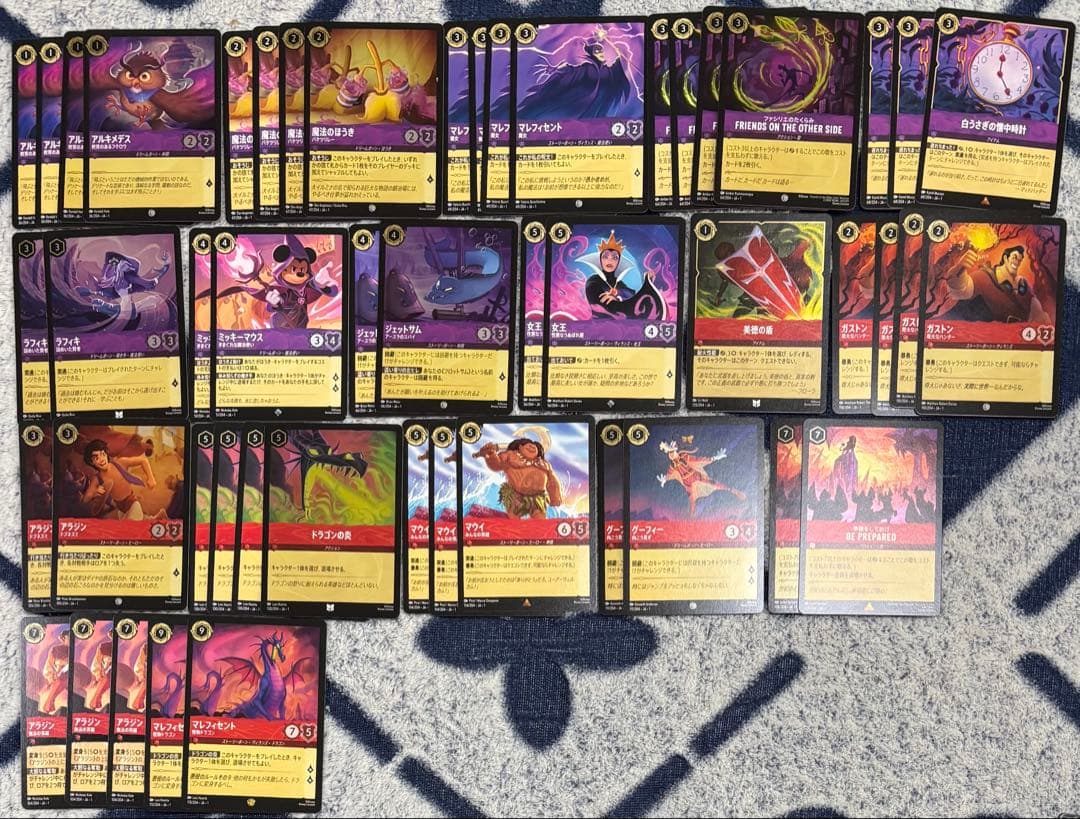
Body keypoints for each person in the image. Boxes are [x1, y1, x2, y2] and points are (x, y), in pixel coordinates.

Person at [476, 438, 563, 519]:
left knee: (539, 519)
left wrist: (555, 496)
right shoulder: (510, 456)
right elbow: (496, 464)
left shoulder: (544, 464)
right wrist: (491, 454)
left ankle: (539, 527)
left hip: (537, 499)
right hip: (516, 496)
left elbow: (552, 480)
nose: (532, 446)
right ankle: (513, 525)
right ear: (520, 447)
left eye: (534, 446)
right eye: (528, 445)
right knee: (514, 516)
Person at [81, 439, 157, 520]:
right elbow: (85, 499)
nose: (102, 459)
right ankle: (157, 517)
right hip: (121, 510)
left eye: (103, 454)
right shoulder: (97, 478)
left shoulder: (120, 463)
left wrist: (151, 478)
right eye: (96, 458)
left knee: (129, 524)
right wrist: (95, 492)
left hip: (132, 503)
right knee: (143, 520)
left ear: (106, 454)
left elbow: (143, 460)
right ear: (91, 462)